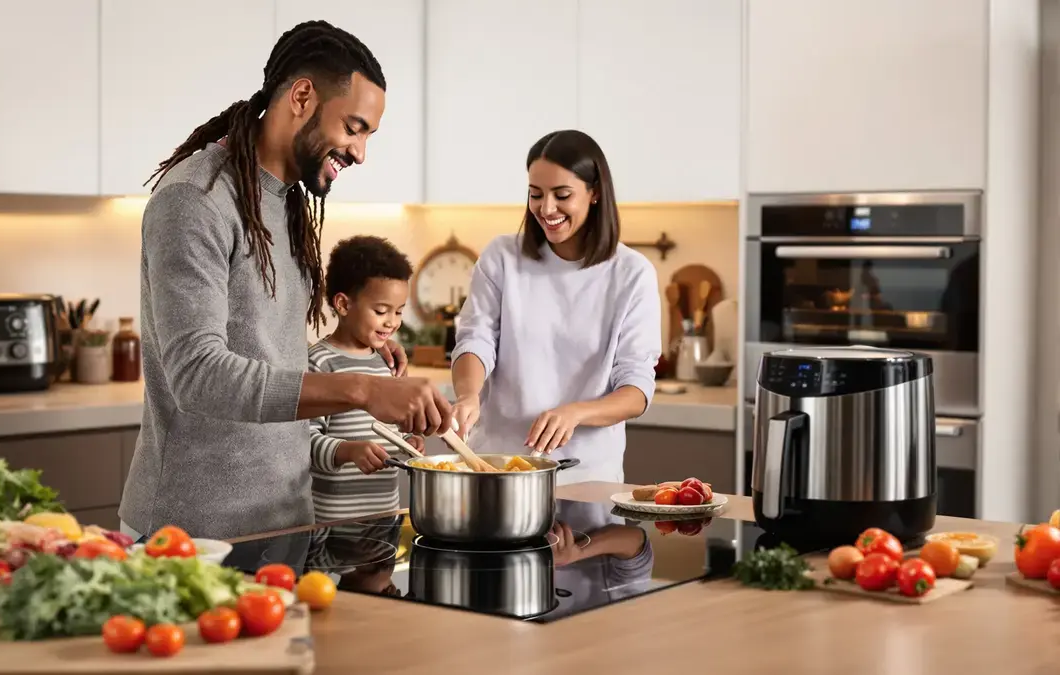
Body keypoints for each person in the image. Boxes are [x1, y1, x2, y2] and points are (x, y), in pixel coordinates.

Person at [119, 21, 452, 542]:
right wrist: (359, 390)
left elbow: (269, 350)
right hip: (194, 534)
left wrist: (362, 354)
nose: (360, 152)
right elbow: (199, 376)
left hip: (288, 518)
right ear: (302, 96)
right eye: (354, 127)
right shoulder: (195, 198)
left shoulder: (288, 202)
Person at [450, 129, 663, 485]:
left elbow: (637, 389)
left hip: (589, 480)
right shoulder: (502, 257)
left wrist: (577, 413)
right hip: (497, 471)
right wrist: (467, 395)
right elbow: (475, 340)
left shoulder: (632, 274)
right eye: (536, 194)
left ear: (594, 193)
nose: (546, 209)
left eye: (562, 195)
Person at [308, 236, 425, 521]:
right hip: (334, 521)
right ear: (344, 305)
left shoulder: (388, 362)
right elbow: (304, 442)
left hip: (385, 513)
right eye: (381, 311)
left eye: (398, 312)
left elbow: (393, 428)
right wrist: (347, 451)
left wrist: (410, 440)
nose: (392, 322)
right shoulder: (319, 363)